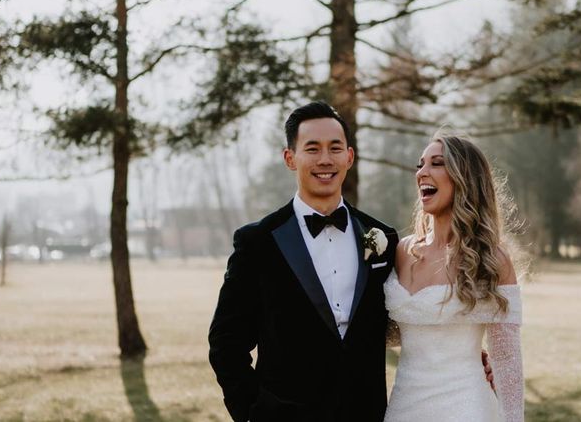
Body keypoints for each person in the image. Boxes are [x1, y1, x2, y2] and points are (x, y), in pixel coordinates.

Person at [208, 101, 399, 422]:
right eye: (312, 149)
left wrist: (461, 353)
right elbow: (226, 343)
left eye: (335, 148)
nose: (325, 159)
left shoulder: (383, 237)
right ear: (290, 158)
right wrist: (255, 412)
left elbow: (405, 316)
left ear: (349, 157)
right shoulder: (258, 242)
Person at [383, 133, 524, 422]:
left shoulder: (492, 260)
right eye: (420, 165)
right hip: (404, 406)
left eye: (437, 164)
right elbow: (395, 330)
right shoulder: (402, 251)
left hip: (466, 406)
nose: (422, 172)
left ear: (465, 179)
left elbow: (507, 361)